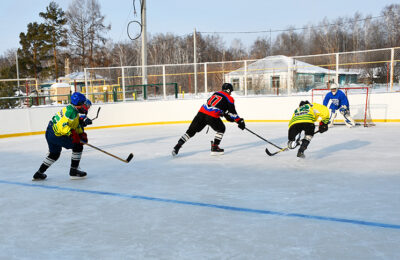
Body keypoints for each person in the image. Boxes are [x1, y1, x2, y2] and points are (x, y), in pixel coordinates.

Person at [172, 83, 245, 156]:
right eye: (231, 92)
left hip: (201, 113)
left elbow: (214, 105)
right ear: (229, 90)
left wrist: (224, 113)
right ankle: (215, 147)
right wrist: (240, 121)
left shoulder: (215, 94)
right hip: (212, 116)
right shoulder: (230, 98)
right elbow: (233, 113)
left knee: (190, 131)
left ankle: (177, 146)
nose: (231, 93)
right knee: (221, 129)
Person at [32, 92, 92, 181]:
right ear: (78, 104)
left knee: (54, 154)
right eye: (83, 104)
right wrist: (74, 135)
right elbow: (62, 127)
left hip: (50, 132)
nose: (85, 107)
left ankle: (39, 173)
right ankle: (74, 171)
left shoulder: (71, 109)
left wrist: (81, 129)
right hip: (57, 135)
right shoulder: (71, 112)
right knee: (78, 146)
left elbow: (73, 124)